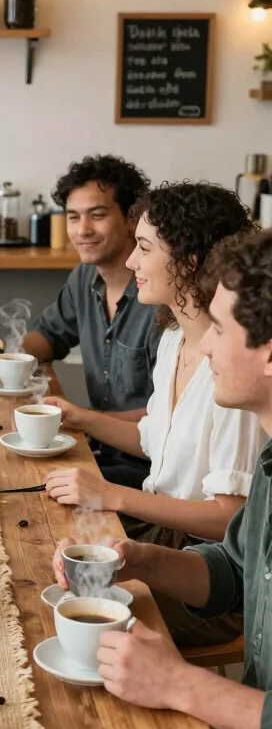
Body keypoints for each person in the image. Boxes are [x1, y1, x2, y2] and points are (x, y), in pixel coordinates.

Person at [51, 228, 272, 729]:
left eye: (223, 328)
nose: (204, 345)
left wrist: (180, 682)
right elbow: (233, 571)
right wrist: (140, 560)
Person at [44, 183, 265, 645]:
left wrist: (111, 496)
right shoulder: (174, 340)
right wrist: (80, 418)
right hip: (162, 541)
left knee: (60, 611)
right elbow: (153, 437)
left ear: (187, 261)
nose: (130, 262)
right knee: (47, 562)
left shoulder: (236, 380)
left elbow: (231, 520)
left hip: (205, 569)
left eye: (144, 248)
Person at [0, 154, 158, 489]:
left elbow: (170, 418)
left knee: (15, 487)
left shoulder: (159, 299)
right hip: (96, 450)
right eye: (73, 217)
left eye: (98, 215)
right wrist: (10, 358)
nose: (82, 230)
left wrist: (84, 421)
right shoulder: (85, 276)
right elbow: (49, 336)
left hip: (145, 470)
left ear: (131, 219)